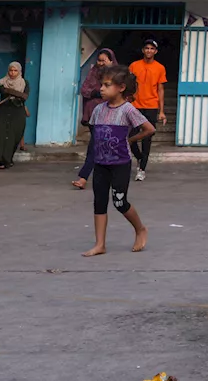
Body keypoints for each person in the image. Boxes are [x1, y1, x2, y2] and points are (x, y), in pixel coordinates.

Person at [82, 65, 152, 257]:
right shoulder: (98, 110)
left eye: (107, 85)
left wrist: (129, 140)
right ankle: (100, 244)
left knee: (120, 202)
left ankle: (140, 229)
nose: (101, 89)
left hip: (120, 163)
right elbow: (95, 136)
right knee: (99, 201)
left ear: (121, 88)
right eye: (101, 85)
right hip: (101, 163)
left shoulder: (128, 110)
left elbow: (149, 129)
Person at [72, 49, 117, 190]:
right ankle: (84, 177)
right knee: (96, 145)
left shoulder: (117, 75)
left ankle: (89, 176)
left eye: (104, 60)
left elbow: (122, 92)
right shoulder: (93, 73)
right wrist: (96, 92)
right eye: (99, 60)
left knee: (103, 145)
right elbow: (84, 90)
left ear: (111, 60)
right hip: (94, 115)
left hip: (113, 115)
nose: (101, 63)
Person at [129, 39, 168, 181]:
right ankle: (139, 158)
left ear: (156, 51)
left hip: (151, 106)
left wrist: (161, 111)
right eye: (147, 48)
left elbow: (160, 89)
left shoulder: (160, 68)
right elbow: (129, 84)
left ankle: (142, 169)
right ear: (143, 50)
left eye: (152, 48)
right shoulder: (134, 65)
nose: (149, 51)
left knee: (147, 139)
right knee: (131, 137)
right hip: (135, 105)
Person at [0, 62, 30, 169]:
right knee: (1, 134)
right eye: (11, 70)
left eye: (15, 70)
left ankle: (8, 158)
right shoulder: (2, 82)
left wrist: (9, 91)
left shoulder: (24, 83)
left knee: (15, 135)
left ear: (19, 71)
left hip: (17, 111)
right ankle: (0, 160)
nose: (12, 73)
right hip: (3, 110)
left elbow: (24, 96)